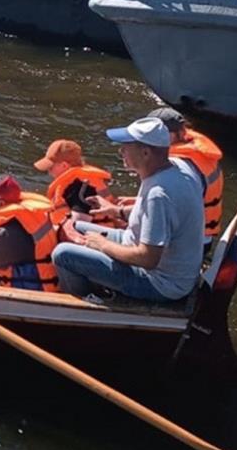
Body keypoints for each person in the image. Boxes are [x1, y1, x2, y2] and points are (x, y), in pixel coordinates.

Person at [51, 117, 205, 303]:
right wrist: (117, 211)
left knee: (63, 254)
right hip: (143, 249)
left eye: (126, 146)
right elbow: (167, 214)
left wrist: (103, 245)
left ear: (146, 152)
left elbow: (148, 259)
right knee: (76, 227)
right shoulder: (180, 166)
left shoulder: (159, 193)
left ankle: (86, 303)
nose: (120, 151)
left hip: (160, 283)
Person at [149, 107, 225, 242]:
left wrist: (122, 212)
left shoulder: (179, 166)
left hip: (191, 241)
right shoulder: (199, 154)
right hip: (204, 233)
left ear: (178, 133)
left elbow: (169, 210)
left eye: (160, 133)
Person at [33, 139, 114, 227]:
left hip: (91, 236)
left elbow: (79, 225)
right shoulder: (78, 180)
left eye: (51, 167)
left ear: (64, 165)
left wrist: (56, 231)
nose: (48, 172)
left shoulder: (79, 187)